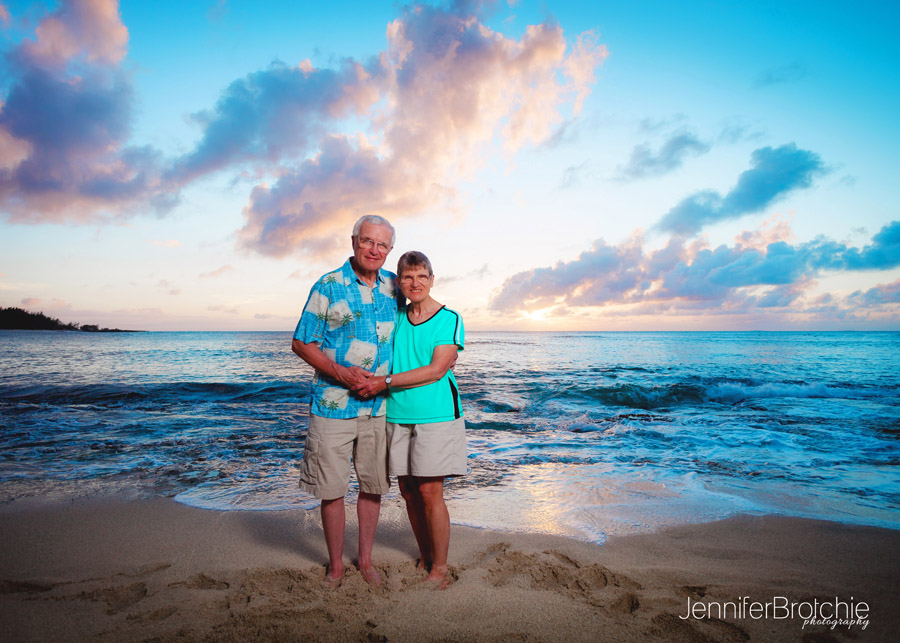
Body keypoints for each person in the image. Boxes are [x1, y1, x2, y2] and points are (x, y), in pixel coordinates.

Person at [291, 214, 399, 588]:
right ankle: (336, 566)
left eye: (382, 244)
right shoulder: (329, 284)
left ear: (390, 251)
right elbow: (302, 342)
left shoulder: (394, 287)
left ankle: (365, 562)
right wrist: (342, 373)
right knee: (331, 489)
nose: (374, 249)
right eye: (368, 241)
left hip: (379, 408)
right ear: (353, 241)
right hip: (333, 405)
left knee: (372, 487)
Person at [353, 250, 465, 589]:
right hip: (397, 413)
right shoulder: (395, 318)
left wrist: (384, 382)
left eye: (421, 276)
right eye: (407, 277)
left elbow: (436, 369)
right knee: (407, 490)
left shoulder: (449, 318)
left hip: (436, 414)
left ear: (432, 279)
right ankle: (426, 555)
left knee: (431, 491)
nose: (414, 283)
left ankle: (441, 570)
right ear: (398, 282)